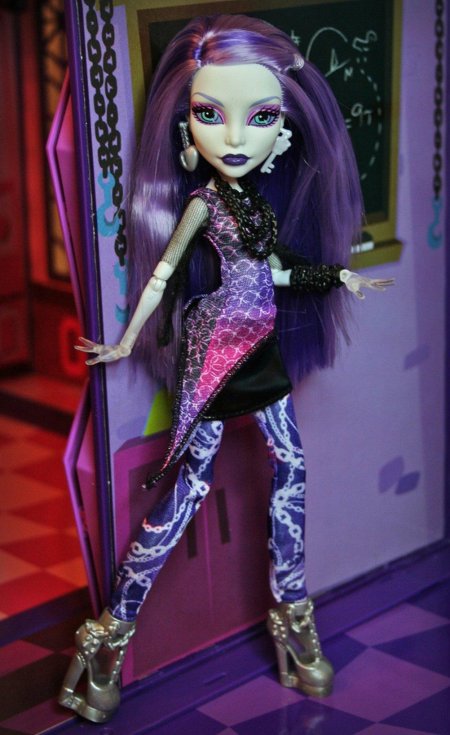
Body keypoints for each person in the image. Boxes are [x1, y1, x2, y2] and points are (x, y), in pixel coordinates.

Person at [59, 14, 393, 723]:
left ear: (284, 128)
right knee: (189, 487)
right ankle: (108, 637)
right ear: (185, 127)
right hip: (217, 350)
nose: (235, 137)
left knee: (292, 466)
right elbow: (163, 274)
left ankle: (293, 616)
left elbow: (273, 272)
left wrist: (339, 276)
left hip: (260, 344)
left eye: (260, 117)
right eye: (210, 115)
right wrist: (125, 343)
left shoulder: (254, 204)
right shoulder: (203, 203)